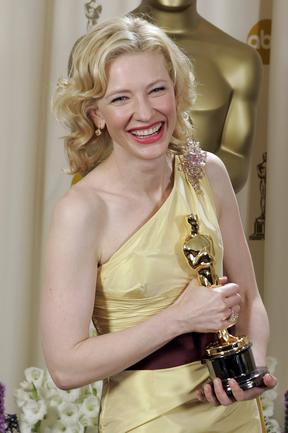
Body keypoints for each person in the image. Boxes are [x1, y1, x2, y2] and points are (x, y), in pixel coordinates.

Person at [41, 15, 276, 433]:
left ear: (177, 91)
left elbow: (252, 301)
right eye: (120, 99)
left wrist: (248, 370)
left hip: (235, 417)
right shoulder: (82, 211)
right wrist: (179, 319)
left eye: (157, 90)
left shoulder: (209, 172)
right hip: (146, 421)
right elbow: (65, 366)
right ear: (95, 114)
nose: (145, 113)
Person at [132, 0, 262, 192]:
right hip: (118, 216)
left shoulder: (240, 60)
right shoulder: (97, 52)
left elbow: (235, 158)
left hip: (199, 216)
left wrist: (179, 201)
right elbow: (90, 152)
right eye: (121, 98)